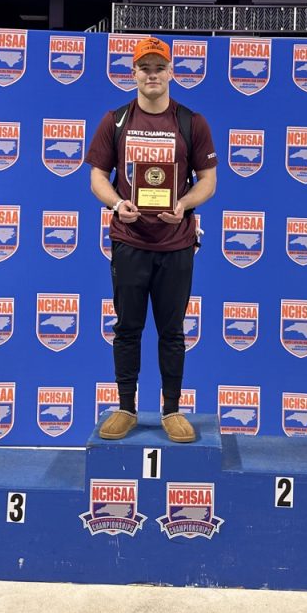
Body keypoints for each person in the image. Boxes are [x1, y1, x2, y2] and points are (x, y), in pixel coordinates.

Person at [85, 36, 218, 444]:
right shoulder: (115, 121)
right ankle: (126, 407)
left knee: (172, 331)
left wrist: (184, 203)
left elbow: (208, 181)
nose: (153, 75)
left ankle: (171, 410)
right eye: (145, 68)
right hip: (129, 240)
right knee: (127, 327)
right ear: (133, 73)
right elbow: (97, 177)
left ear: (171, 72)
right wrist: (116, 203)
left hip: (177, 243)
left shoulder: (191, 122)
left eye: (160, 68)